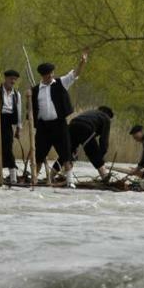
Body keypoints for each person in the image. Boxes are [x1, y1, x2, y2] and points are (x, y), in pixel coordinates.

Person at [31, 50, 89, 187]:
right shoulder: (35, 90)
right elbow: (32, 109)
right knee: (38, 155)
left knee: (66, 153)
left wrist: (82, 63)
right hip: (43, 127)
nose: (51, 76)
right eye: (48, 74)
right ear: (43, 76)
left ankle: (70, 181)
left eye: (52, 73)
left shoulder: (60, 83)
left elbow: (75, 74)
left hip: (59, 125)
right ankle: (34, 179)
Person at [62, 105, 114, 180]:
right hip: (85, 128)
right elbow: (104, 141)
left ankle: (51, 176)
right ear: (108, 115)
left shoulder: (91, 112)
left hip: (72, 125)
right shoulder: (106, 118)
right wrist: (100, 157)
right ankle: (105, 177)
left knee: (66, 153)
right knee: (94, 154)